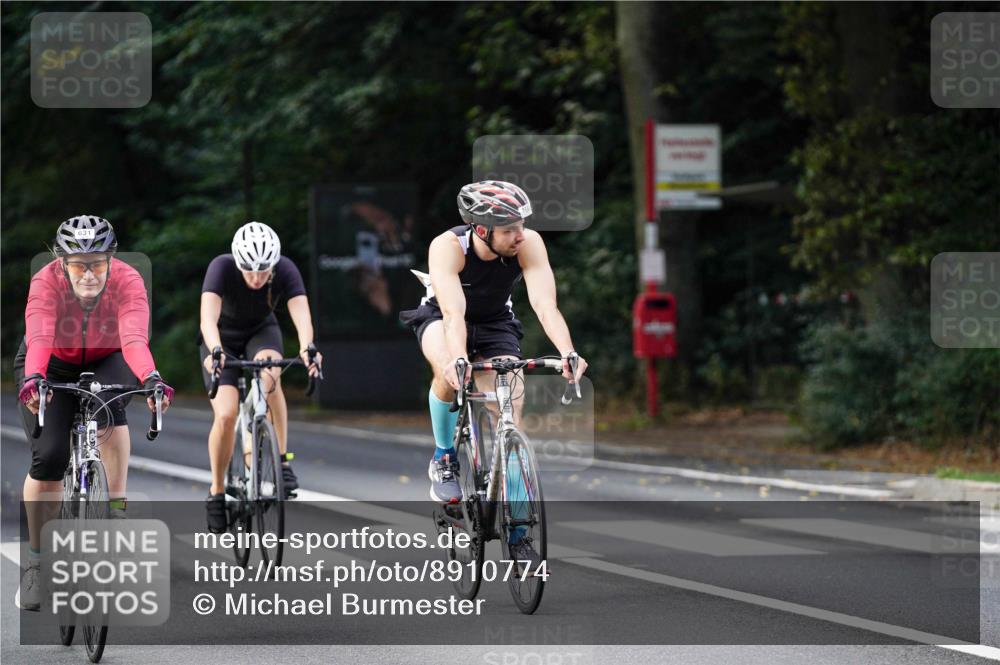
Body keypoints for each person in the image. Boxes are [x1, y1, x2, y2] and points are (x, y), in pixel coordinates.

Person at [399, 181, 587, 557]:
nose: (520, 234)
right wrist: (457, 359)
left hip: (497, 322)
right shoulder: (448, 247)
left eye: (521, 224)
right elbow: (453, 314)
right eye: (509, 229)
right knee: (448, 374)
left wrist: (567, 351)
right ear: (481, 230)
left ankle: (517, 526)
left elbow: (545, 305)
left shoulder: (528, 243)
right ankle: (444, 458)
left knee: (510, 408)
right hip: (443, 317)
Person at [14, 215, 174, 611]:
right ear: (61, 261)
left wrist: (152, 378)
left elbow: (134, 337)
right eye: (78, 264)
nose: (88, 273)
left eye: (97, 263)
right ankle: (36, 563)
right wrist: (34, 378)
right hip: (48, 362)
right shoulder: (46, 281)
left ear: (111, 260)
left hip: (108, 356)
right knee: (49, 457)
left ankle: (115, 508)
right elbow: (39, 335)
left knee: (111, 404)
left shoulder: (127, 281)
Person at [199, 221, 322, 533]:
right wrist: (215, 350)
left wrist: (308, 348)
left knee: (271, 376)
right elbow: (207, 319)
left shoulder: (287, 269)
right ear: (238, 263)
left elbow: (302, 315)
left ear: (274, 265)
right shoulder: (221, 267)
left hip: (260, 332)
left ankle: (281, 458)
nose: (256, 278)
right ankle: (216, 491)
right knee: (225, 414)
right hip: (222, 338)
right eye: (249, 271)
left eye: (263, 271)